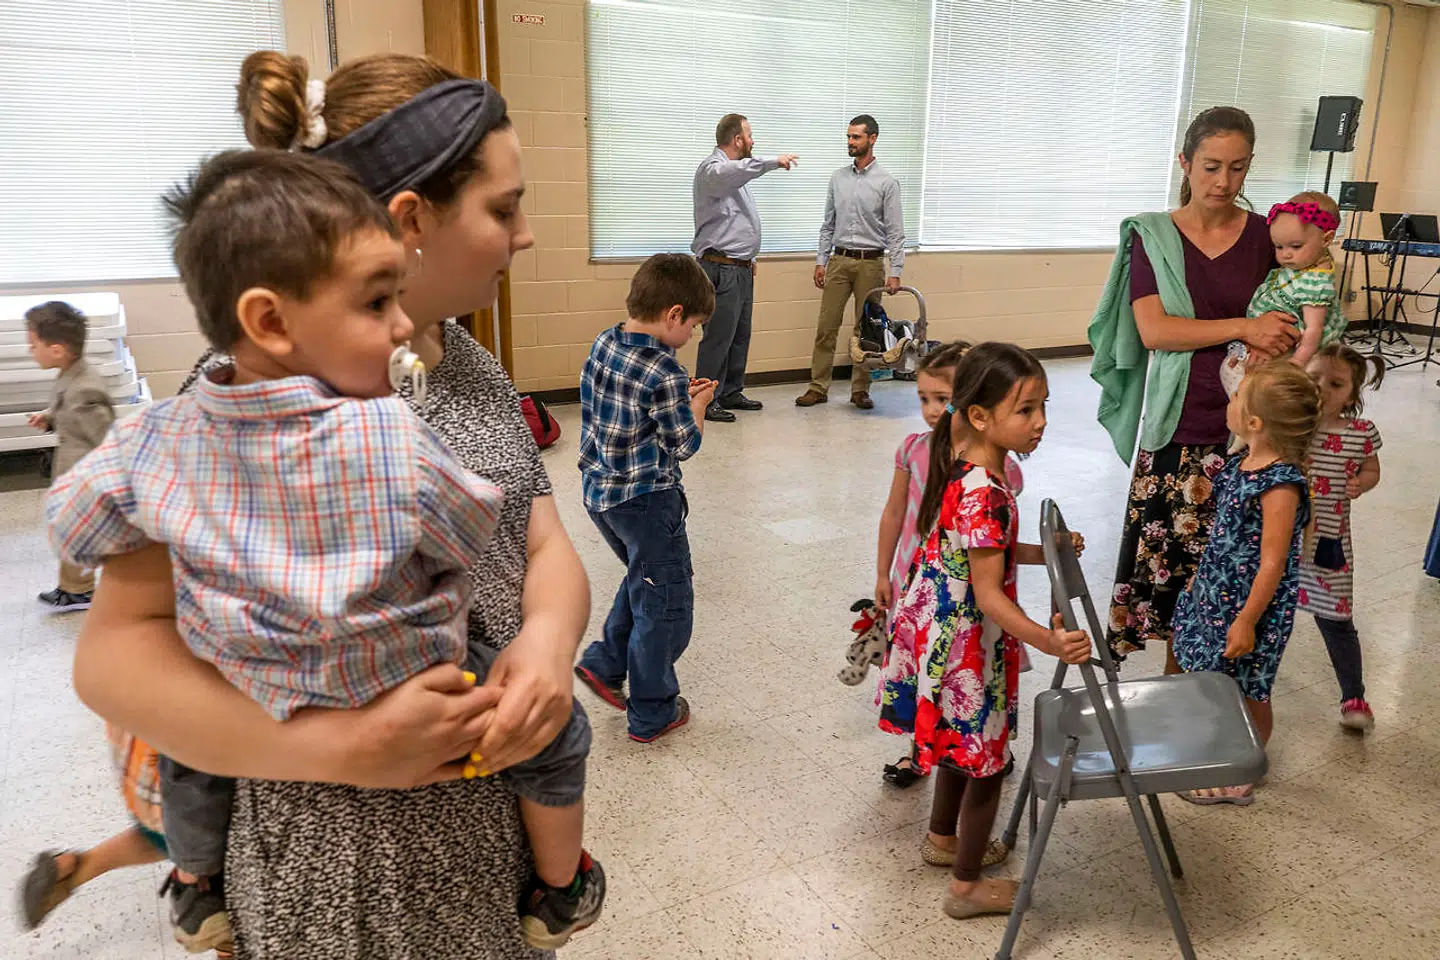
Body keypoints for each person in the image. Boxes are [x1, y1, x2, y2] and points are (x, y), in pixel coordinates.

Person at [66, 51, 590, 960]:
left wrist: (546, 644)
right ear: (409, 219)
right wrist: (342, 750)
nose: (526, 234)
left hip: (482, 833)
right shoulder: (231, 407)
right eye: (503, 209)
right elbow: (113, 656)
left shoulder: (465, 361)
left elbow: (540, 543)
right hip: (336, 873)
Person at [878, 342, 1091, 920]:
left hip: (943, 640)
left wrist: (1043, 552)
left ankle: (943, 839)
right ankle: (966, 887)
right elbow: (989, 593)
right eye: (1026, 410)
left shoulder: (965, 471)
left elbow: (980, 554)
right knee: (988, 764)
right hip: (969, 650)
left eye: (1043, 405)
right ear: (980, 415)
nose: (1041, 421)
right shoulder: (989, 493)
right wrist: (1048, 641)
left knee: (957, 750)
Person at [1088, 106, 1301, 669]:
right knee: (1174, 579)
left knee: (1227, 577)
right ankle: (1176, 700)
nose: (1223, 182)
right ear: (1185, 163)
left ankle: (1207, 699)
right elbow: (1157, 330)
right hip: (1179, 429)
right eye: (1210, 166)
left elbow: (1301, 308)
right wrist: (1243, 326)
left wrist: (1279, 332)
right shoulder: (1152, 237)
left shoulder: (1267, 237)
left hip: (1253, 434)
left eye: (1237, 168)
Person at [872, 341, 1028, 793]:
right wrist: (883, 574)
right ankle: (918, 749)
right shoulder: (913, 450)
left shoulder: (999, 467)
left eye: (943, 398)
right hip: (918, 582)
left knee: (971, 674)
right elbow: (893, 513)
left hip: (972, 595)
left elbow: (997, 540)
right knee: (922, 670)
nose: (932, 410)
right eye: (924, 399)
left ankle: (982, 739)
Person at [572, 253, 715, 742]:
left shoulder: (606, 340)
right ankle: (653, 710)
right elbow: (685, 444)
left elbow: (624, 408)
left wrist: (678, 398)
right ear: (674, 315)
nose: (693, 334)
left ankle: (605, 663)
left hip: (601, 498)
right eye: (693, 324)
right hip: (648, 502)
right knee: (665, 604)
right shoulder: (665, 371)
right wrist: (697, 404)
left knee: (645, 577)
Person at [1173, 361, 1319, 805]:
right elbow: (1224, 533)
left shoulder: (1281, 485)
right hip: (1216, 596)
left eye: (1237, 397)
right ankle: (1218, 749)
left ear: (1254, 421)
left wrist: (1247, 621)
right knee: (1216, 681)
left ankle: (1246, 765)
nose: (1229, 401)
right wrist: (1199, 580)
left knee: (1251, 686)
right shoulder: (1241, 464)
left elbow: (1273, 563)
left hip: (1250, 607)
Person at [691, 113, 797, 423]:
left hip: (740, 268)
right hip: (721, 269)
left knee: (740, 334)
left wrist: (747, 258)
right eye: (749, 135)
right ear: (737, 139)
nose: (753, 140)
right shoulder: (714, 171)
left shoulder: (733, 177)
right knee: (718, 337)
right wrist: (774, 161)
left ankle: (730, 391)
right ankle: (705, 398)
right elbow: (738, 170)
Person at [796, 114, 906, 411]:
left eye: (856, 137)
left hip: (870, 264)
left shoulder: (887, 183)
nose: (850, 142)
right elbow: (827, 225)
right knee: (826, 326)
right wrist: (821, 261)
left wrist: (895, 271)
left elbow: (896, 233)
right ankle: (818, 387)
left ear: (872, 139)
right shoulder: (838, 178)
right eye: (848, 137)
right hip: (839, 261)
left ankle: (860, 390)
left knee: (865, 330)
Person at [1301, 343, 1385, 731]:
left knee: (1336, 618)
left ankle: (1354, 695)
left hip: (1328, 542)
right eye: (1314, 377)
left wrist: (1360, 484)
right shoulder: (1290, 422)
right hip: (1281, 542)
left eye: (1335, 384)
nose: (1321, 388)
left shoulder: (1360, 433)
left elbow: (1372, 469)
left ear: (1352, 395)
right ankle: (1243, 682)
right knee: (1268, 612)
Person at [25, 301, 115, 613]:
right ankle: (73, 587)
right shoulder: (71, 374)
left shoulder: (85, 390)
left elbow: (106, 438)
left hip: (84, 477)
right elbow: (66, 406)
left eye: (33, 345)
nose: (29, 350)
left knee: (77, 533)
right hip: (72, 472)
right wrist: (49, 417)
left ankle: (79, 589)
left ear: (58, 350)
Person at [1220, 192, 1349, 395]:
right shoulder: (1303, 265)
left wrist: (1297, 362)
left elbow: (1313, 330)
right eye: (1278, 246)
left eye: (1295, 246)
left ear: (1327, 239)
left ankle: (1247, 411)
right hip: (1264, 338)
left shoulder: (1315, 283)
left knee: (1242, 379)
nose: (1285, 254)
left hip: (1286, 351)